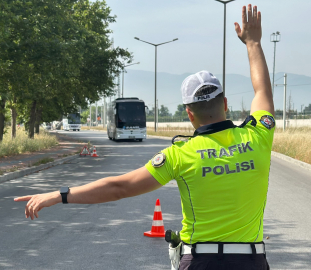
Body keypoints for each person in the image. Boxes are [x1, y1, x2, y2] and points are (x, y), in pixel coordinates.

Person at [14, 4, 274, 270]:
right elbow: (262, 89)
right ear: (226, 103)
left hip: (201, 262)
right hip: (251, 262)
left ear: (189, 114)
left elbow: (119, 188)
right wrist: (253, 43)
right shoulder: (258, 136)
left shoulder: (180, 154)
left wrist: (60, 194)